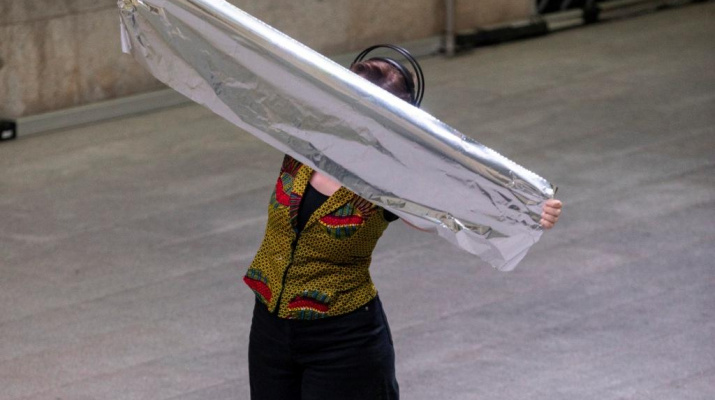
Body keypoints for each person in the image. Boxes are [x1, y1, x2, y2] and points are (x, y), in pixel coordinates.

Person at [244, 45, 563, 400]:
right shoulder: (304, 145)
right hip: (269, 330)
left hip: (343, 341)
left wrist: (527, 207)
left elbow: (454, 205)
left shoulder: (392, 179)